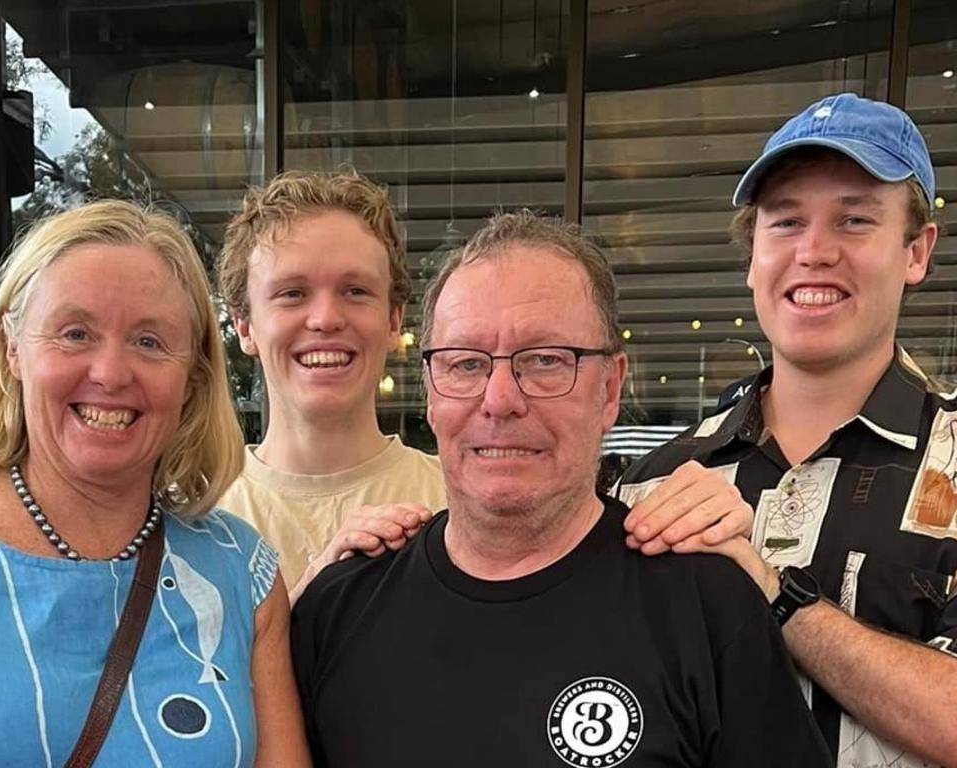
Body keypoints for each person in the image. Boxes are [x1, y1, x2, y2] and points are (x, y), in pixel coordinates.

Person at [292, 211, 832, 767]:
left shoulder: (707, 604)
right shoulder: (337, 611)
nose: (499, 399)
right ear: (430, 392)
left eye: (546, 360)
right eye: (465, 364)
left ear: (610, 388)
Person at [616, 93, 957, 766]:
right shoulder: (655, 485)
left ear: (916, 252)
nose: (814, 251)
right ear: (752, 259)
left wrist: (774, 597)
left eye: (854, 220)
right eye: (785, 222)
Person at [0, 201, 311, 767]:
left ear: (192, 379)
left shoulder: (239, 572)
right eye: (76, 332)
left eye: (149, 342)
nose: (110, 373)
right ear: (14, 348)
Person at [217, 171, 447, 600]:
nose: (325, 318)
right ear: (244, 324)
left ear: (394, 320)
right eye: (292, 293)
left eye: (355, 290)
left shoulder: (461, 500)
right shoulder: (194, 519)